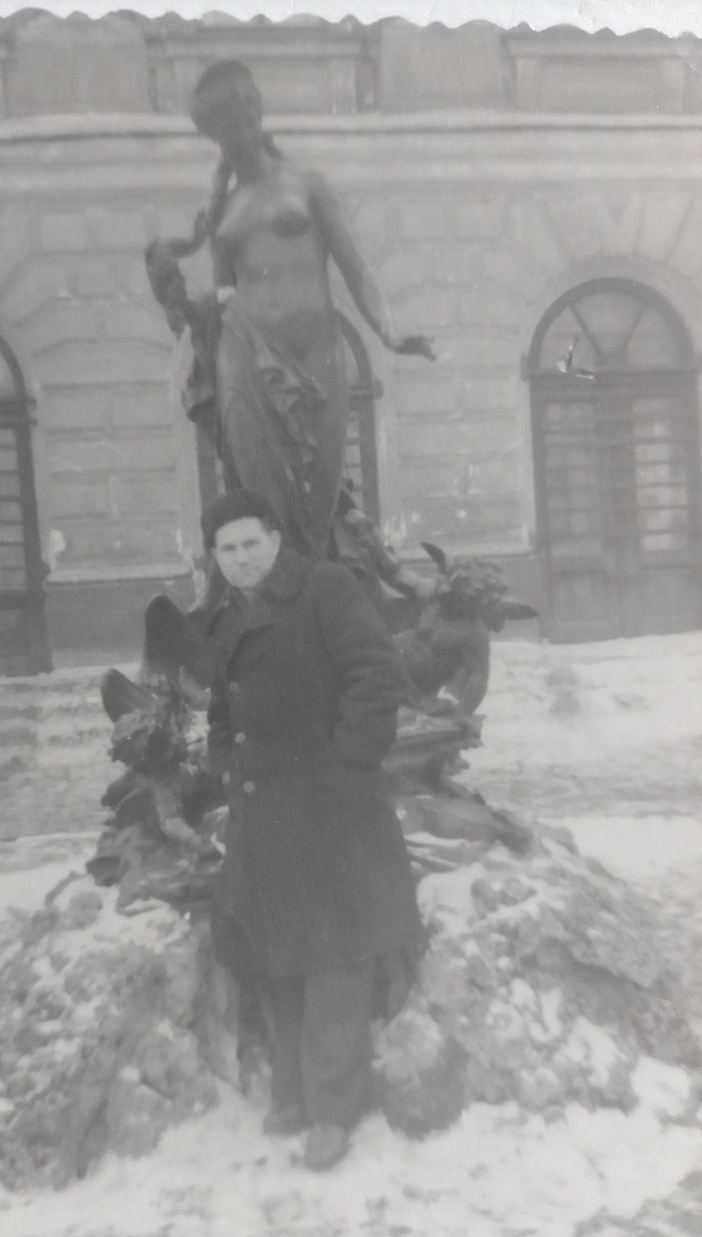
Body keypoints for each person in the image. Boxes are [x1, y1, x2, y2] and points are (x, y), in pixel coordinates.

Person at [202, 489, 423, 1171]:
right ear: (214, 556)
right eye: (227, 549)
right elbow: (221, 710)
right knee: (275, 955)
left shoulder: (325, 588)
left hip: (331, 810)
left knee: (334, 958)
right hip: (263, 814)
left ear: (276, 541)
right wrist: (223, 766)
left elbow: (377, 677)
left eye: (251, 544)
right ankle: (292, 1094)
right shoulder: (227, 615)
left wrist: (347, 769)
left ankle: (333, 1109)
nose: (241, 559)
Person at [149, 59, 435, 560]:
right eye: (224, 130)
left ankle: (324, 591)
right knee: (264, 499)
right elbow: (224, 297)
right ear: (214, 137)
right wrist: (180, 302)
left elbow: (355, 266)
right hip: (246, 362)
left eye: (243, 121)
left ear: (258, 113)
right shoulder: (221, 214)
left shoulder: (308, 184)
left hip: (316, 353)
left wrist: (388, 333)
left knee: (318, 496)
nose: (238, 136)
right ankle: (277, 598)